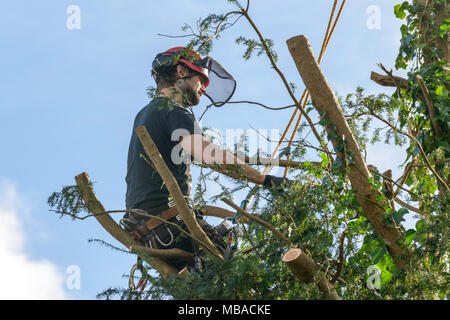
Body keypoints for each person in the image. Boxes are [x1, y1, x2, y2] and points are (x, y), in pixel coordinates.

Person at [121, 47, 289, 272]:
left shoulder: (146, 113)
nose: (204, 87)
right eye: (201, 78)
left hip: (150, 232)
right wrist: (264, 179)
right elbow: (210, 155)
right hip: (173, 226)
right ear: (181, 71)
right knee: (233, 269)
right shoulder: (172, 111)